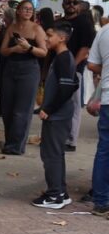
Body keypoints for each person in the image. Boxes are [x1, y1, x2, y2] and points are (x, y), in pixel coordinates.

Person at [31, 21, 78, 209]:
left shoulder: (64, 58)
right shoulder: (61, 58)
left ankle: (54, 195)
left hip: (57, 116)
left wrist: (48, 109)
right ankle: (60, 191)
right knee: (55, 153)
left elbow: (67, 88)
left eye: (50, 36)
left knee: (51, 155)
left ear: (62, 38)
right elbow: (73, 84)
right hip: (58, 114)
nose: (46, 39)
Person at [0, 0, 47, 155]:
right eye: (25, 9)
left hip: (29, 70)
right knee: (7, 108)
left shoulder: (37, 29)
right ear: (18, 11)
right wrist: (14, 49)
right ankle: (9, 141)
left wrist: (29, 47)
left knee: (22, 110)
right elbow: (3, 50)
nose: (28, 11)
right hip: (11, 68)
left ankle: (16, 146)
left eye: (30, 9)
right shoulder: (11, 28)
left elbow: (44, 52)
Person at [60, 0, 96, 152]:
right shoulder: (59, 23)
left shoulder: (84, 23)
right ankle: (58, 136)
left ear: (79, 5)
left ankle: (71, 140)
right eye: (68, 2)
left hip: (75, 70)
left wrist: (72, 66)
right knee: (57, 104)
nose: (71, 5)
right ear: (63, 4)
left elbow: (85, 48)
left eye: (75, 2)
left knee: (73, 105)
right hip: (57, 68)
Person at [86, 18, 109, 217]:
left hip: (108, 98)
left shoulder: (103, 31)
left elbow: (92, 64)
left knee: (104, 150)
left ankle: (101, 201)